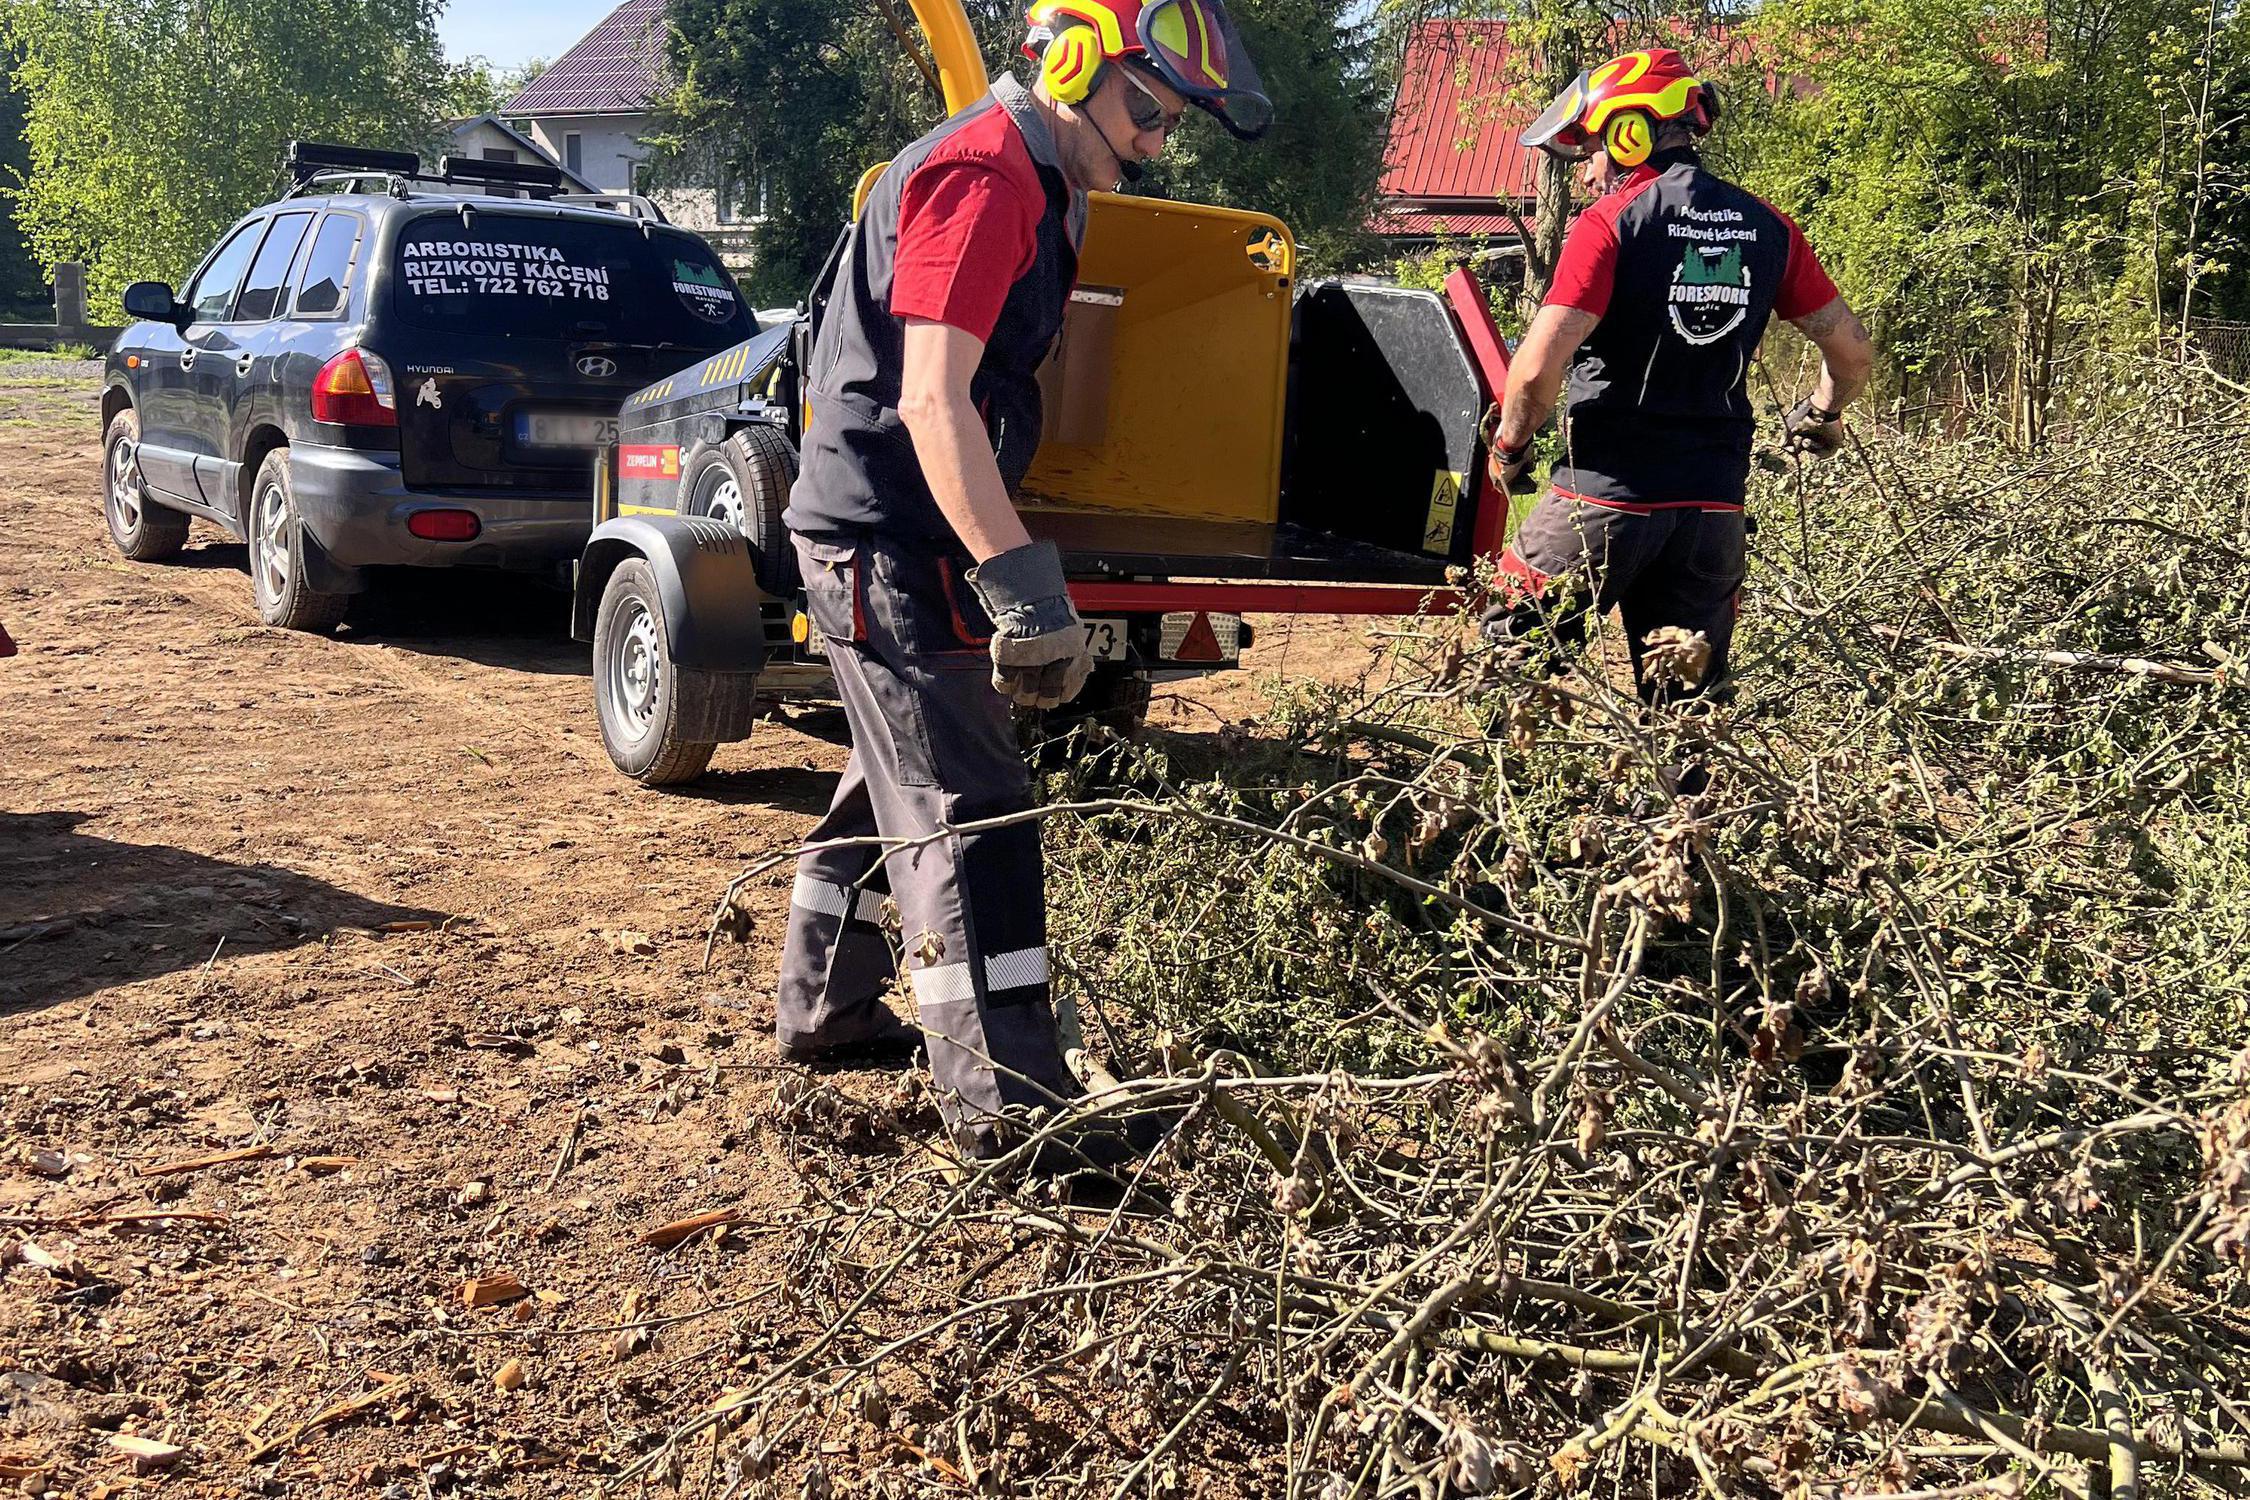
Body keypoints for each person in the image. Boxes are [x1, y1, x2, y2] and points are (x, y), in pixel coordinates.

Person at [772, 0, 1270, 1158]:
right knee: (972, 811)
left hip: (893, 531)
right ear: (1075, 64)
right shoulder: (987, 175)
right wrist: (1024, 587)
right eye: (1146, 110)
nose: (1155, 141)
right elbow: (932, 399)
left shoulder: (1044, 179)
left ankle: (825, 1005)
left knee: (887, 784)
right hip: (890, 540)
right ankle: (1011, 1108)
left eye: (1173, 123)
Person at [1483, 48, 1876, 702]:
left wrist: (1510, 448)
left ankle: (1513, 802)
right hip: (1711, 512)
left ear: (1631, 132)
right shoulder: (1770, 228)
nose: (1588, 175)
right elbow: (1854, 355)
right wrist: (1823, 414)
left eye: (1594, 153)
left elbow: (1532, 374)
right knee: (1687, 716)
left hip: (1603, 500)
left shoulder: (1610, 224)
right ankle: (1688, 808)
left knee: (1509, 674)